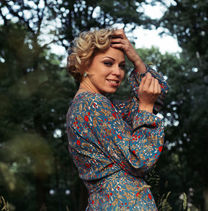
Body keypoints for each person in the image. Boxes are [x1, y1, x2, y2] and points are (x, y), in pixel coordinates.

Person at [66, 28, 169, 210]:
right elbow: (139, 160)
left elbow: (156, 97)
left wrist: (135, 59)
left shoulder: (96, 106)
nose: (117, 72)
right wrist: (145, 108)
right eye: (108, 63)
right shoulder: (92, 105)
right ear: (85, 65)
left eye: (122, 66)